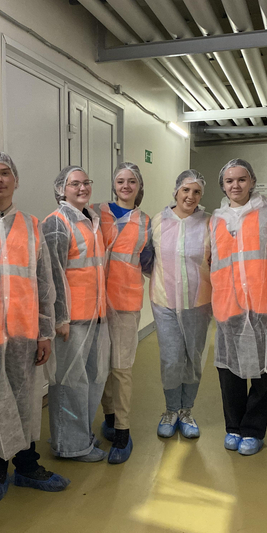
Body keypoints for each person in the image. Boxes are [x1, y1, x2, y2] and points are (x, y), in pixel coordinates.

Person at [0, 151, 70, 504]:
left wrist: (45, 331)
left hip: (24, 332)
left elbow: (44, 283)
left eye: (4, 172)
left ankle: (26, 466)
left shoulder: (32, 226)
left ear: (15, 180)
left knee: (26, 399)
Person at [210, 158, 267, 456]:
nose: (235, 185)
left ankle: (253, 430)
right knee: (229, 370)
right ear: (223, 185)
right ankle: (234, 427)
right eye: (229, 181)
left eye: (241, 179)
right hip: (228, 302)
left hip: (263, 302)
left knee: (262, 370)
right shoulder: (216, 218)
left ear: (252, 181)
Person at [42, 166, 110, 462]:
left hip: (96, 315)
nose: (82, 188)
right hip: (71, 320)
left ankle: (79, 436)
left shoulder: (90, 220)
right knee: (70, 384)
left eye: (86, 182)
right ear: (62, 189)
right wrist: (60, 318)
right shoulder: (57, 223)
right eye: (75, 184)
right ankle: (69, 446)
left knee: (93, 378)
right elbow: (52, 276)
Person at [91, 163, 152, 464]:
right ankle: (109, 417)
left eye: (131, 181)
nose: (125, 186)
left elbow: (150, 263)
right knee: (101, 366)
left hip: (126, 301)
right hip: (94, 301)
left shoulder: (146, 222)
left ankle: (123, 432)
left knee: (122, 367)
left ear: (139, 187)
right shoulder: (94, 212)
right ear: (113, 185)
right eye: (120, 181)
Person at [150, 170, 212, 439]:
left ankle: (187, 411)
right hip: (164, 302)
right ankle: (171, 410)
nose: (191, 196)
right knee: (171, 358)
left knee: (193, 358)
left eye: (197, 191)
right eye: (186, 190)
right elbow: (147, 259)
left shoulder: (209, 223)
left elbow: (216, 262)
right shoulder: (158, 221)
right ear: (176, 191)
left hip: (199, 302)